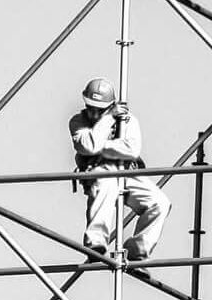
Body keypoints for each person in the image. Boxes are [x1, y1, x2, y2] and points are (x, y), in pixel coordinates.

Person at [70, 77, 171, 261]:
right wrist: (108, 120)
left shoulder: (127, 120)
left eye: (99, 110)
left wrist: (101, 145)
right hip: (100, 170)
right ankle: (96, 243)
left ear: (109, 106)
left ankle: (136, 251)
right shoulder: (78, 121)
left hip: (128, 173)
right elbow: (87, 146)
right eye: (90, 107)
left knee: (160, 203)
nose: (93, 114)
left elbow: (131, 150)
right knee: (105, 185)